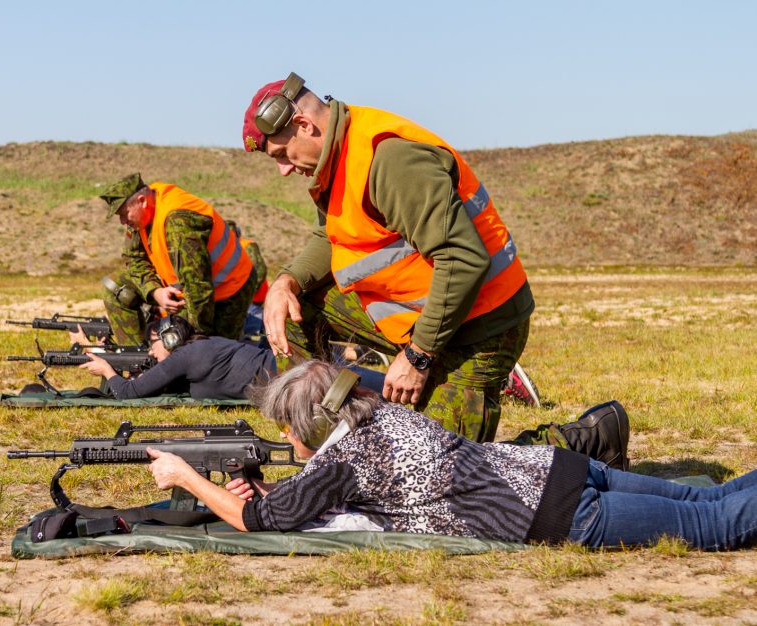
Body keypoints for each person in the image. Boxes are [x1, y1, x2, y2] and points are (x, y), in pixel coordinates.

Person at [146, 361, 757, 550]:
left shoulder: (340, 462)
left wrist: (185, 476)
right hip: (560, 468)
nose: (288, 439)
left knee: (715, 526)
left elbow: (260, 523)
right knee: (706, 500)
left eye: (289, 427)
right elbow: (305, 498)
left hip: (557, 516)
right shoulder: (378, 412)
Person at [241, 72, 535, 445]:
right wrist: (286, 282)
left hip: (480, 327)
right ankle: (316, 436)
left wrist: (417, 358)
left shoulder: (389, 159)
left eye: (282, 155)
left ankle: (583, 441)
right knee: (294, 306)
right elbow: (331, 236)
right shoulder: (337, 157)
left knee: (441, 472)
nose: (283, 169)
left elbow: (463, 259)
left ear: (304, 125)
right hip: (420, 316)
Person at [98, 172, 262, 345]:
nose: (123, 221)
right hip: (189, 291)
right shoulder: (140, 217)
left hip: (229, 291)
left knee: (212, 354)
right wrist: (155, 291)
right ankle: (138, 363)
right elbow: (133, 259)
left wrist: (191, 340)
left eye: (124, 214)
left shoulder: (178, 221)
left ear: (141, 201)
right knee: (115, 286)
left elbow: (197, 288)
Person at [75, 316, 276, 400]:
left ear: (170, 338)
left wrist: (107, 370)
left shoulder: (186, 356)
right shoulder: (203, 345)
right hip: (283, 373)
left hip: (285, 383)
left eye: (152, 343)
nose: (151, 352)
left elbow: (127, 392)